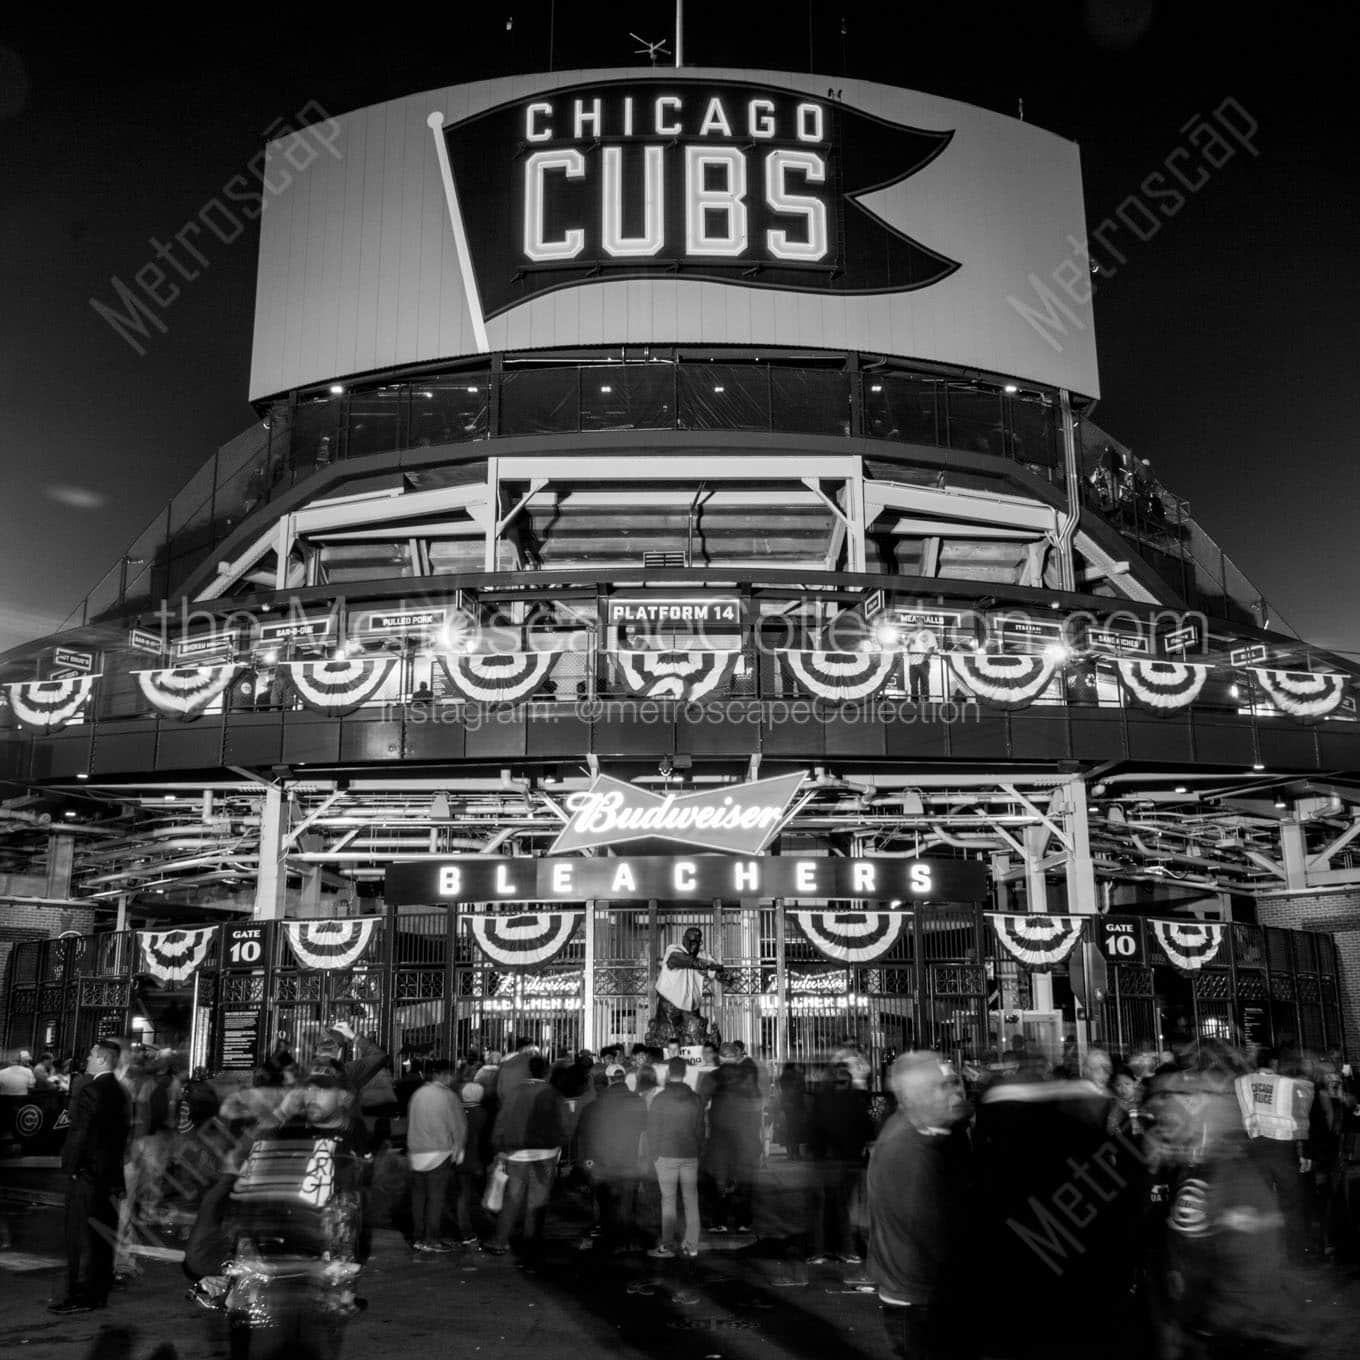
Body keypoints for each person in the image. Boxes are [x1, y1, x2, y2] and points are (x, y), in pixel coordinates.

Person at [867, 1052, 974, 1360]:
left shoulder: (925, 1134)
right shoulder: (909, 1151)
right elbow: (932, 1230)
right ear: (917, 1096)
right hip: (919, 1300)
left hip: (918, 1295)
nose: (955, 1092)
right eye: (944, 1086)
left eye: (955, 1083)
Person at [50, 1039, 131, 1314]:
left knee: (81, 1237)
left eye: (91, 1055)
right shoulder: (121, 1092)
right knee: (102, 1235)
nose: (86, 1059)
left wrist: (70, 1168)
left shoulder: (90, 1090)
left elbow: (79, 1134)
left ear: (102, 1060)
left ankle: (80, 1294)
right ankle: (98, 1292)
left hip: (87, 1174)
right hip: (108, 1174)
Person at [487, 1055, 566, 1257]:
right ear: (547, 1072)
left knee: (512, 1198)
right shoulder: (552, 1093)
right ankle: (531, 1242)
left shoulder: (516, 1092)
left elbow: (503, 1120)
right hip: (545, 1153)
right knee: (537, 1199)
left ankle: (500, 1240)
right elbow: (561, 1123)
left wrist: (499, 1147)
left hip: (517, 1153)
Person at [577, 1063, 647, 1253]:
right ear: (623, 1078)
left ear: (608, 1080)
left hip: (603, 1163)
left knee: (605, 1203)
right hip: (629, 1160)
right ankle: (625, 1240)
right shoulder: (638, 1101)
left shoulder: (596, 1104)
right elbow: (646, 1131)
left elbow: (584, 1133)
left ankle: (609, 1237)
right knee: (627, 1201)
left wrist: (588, 1159)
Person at [406, 1059, 466, 1253]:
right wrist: (459, 1148)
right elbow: (458, 1126)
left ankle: (417, 1237)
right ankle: (431, 1239)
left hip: (416, 1152)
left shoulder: (418, 1094)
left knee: (418, 1198)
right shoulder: (449, 1096)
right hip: (439, 1152)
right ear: (446, 1075)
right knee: (435, 1198)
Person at [647, 1056, 705, 1258]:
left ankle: (668, 1244)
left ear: (669, 1073)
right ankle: (692, 1244)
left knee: (668, 1200)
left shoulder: (660, 1098)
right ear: (685, 1073)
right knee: (691, 1199)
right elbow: (700, 1129)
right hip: (690, 1153)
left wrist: (652, 1154)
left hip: (665, 1154)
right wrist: (699, 1151)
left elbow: (652, 1129)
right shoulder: (695, 1098)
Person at [647, 928, 727, 1047]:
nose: (694, 945)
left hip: (691, 1005)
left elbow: (714, 971)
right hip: (670, 1003)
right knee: (668, 1038)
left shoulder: (703, 955)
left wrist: (723, 975)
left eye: (697, 942)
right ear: (684, 939)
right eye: (691, 941)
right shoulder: (674, 949)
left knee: (695, 1037)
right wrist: (703, 964)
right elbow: (678, 959)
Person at [453, 1081, 490, 1246]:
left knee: (463, 1195)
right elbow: (486, 1141)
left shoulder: (455, 1112)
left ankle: (465, 1231)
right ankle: (485, 1226)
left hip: (460, 1159)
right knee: (483, 1194)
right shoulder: (483, 1114)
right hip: (477, 1160)